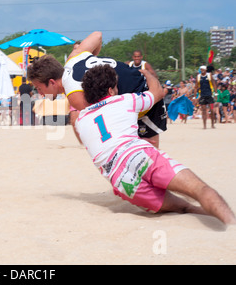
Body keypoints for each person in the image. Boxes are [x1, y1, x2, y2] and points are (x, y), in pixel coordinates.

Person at [75, 64, 235, 225]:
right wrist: (148, 74)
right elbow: (157, 93)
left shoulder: (80, 121)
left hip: (121, 180)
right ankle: (231, 224)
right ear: (110, 91)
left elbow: (104, 142)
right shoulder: (125, 100)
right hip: (139, 155)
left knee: (184, 207)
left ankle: (208, 216)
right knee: (200, 190)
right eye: (116, 87)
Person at [27, 31, 167, 148]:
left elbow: (109, 117)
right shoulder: (73, 57)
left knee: (150, 164)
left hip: (146, 96)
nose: (39, 93)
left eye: (39, 88)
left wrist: (131, 141)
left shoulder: (75, 95)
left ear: (52, 82)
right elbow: (97, 35)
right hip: (136, 86)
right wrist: (93, 60)